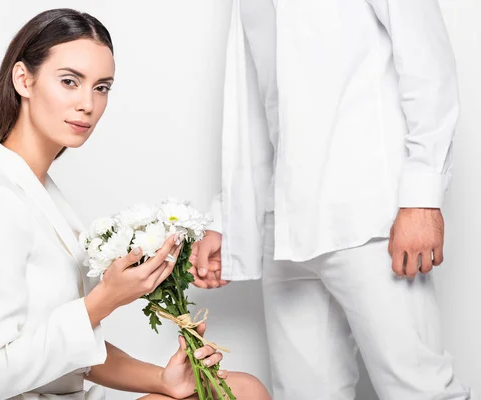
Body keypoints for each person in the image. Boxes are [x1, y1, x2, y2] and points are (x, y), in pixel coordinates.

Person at [0, 8, 269, 400]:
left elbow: (64, 349)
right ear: (23, 79)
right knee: (245, 393)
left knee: (241, 388)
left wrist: (163, 381)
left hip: (58, 392)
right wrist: (103, 300)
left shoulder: (36, 189)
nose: (87, 104)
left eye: (101, 87)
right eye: (69, 81)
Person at [190, 0, 476, 399]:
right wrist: (229, 216)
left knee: (420, 389)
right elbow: (256, 101)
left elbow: (429, 66)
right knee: (305, 392)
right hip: (284, 226)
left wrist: (422, 197)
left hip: (373, 216)